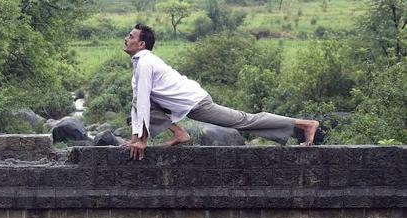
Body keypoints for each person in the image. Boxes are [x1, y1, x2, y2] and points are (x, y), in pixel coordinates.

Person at [123, 23, 319, 160]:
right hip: (188, 103)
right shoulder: (140, 64)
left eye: (130, 36)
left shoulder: (146, 63)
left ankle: (304, 124)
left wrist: (142, 141)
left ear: (141, 44)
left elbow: (142, 104)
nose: (126, 39)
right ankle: (180, 134)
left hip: (196, 103)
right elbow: (139, 104)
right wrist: (135, 140)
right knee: (138, 100)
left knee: (244, 121)